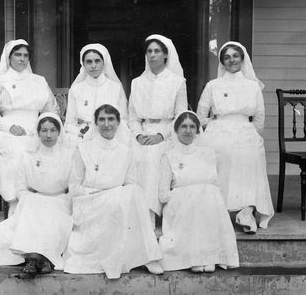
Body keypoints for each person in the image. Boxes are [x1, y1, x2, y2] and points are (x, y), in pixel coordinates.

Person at [64, 104, 163, 279]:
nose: (106, 124)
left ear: (118, 123)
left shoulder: (126, 152)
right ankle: (145, 256)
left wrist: (113, 196)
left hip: (117, 204)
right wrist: (101, 194)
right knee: (127, 195)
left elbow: (130, 185)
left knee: (135, 191)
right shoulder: (84, 149)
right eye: (101, 119)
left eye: (111, 119)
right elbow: (74, 188)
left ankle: (148, 256)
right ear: (96, 123)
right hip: (90, 205)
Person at [196, 41, 274, 233]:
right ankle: (218, 212)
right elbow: (200, 116)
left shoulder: (252, 86)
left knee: (250, 154)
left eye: (235, 56)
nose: (231, 60)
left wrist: (251, 135)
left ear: (242, 58)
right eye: (227, 57)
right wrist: (213, 125)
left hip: (245, 132)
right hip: (219, 130)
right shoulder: (213, 85)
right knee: (222, 153)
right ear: (222, 61)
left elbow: (259, 118)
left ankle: (246, 211)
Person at [0, 112, 73, 274]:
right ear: (37, 132)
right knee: (32, 213)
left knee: (52, 219)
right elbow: (20, 186)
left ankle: (45, 259)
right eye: (44, 130)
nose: (48, 135)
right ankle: (34, 259)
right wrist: (28, 197)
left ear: (59, 132)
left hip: (60, 200)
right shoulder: (28, 155)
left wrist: (66, 199)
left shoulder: (68, 155)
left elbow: (74, 183)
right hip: (35, 199)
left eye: (53, 130)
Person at [158, 111, 239, 273]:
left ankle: (208, 257)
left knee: (208, 193)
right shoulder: (169, 156)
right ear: (176, 130)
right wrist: (184, 194)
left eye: (192, 127)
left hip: (205, 202)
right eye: (184, 126)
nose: (188, 131)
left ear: (197, 130)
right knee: (199, 196)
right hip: (180, 205)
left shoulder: (207, 153)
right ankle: (197, 258)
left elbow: (214, 183)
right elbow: (163, 192)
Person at [0, 39, 59, 214]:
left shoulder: (39, 81)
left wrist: (46, 128)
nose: (22, 59)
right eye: (17, 55)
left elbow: (52, 109)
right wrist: (10, 127)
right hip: (8, 130)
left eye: (26, 55)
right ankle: (17, 202)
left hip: (38, 129)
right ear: (8, 57)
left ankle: (45, 200)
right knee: (19, 151)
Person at [128, 34, 188, 225]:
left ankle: (150, 213)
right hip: (142, 132)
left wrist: (161, 135)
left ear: (165, 55)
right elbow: (133, 117)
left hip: (168, 133)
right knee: (130, 156)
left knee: (153, 157)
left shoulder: (177, 82)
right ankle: (135, 213)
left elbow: (181, 117)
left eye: (157, 51)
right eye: (149, 51)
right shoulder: (137, 83)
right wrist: (137, 135)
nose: (152, 55)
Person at [65, 43, 128, 142]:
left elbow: (123, 120)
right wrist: (80, 134)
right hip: (82, 138)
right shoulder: (76, 89)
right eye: (89, 62)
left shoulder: (116, 88)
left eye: (97, 61)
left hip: (110, 138)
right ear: (83, 64)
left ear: (104, 63)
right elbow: (69, 123)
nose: (93, 66)